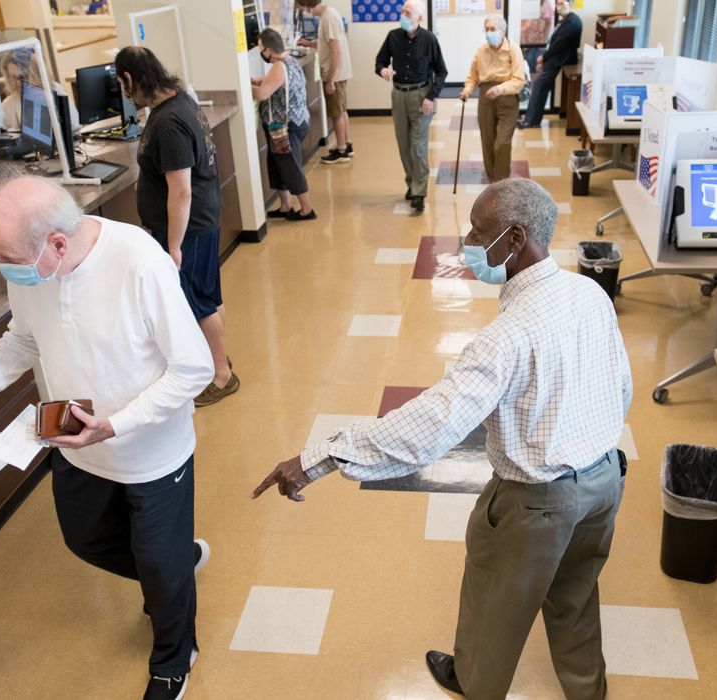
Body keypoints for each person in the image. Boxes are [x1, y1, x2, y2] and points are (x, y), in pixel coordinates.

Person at [253, 178, 632, 700]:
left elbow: (431, 428)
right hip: (604, 481)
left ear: (517, 238)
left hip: (537, 504)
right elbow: (621, 385)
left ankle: (476, 683)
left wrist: (320, 457)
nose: (468, 243)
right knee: (575, 594)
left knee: (496, 608)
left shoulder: (508, 335)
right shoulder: (590, 293)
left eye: (480, 231)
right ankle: (589, 691)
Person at [0, 177, 215, 700]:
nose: (1, 266)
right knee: (87, 539)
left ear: (56, 242)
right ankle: (176, 564)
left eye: (6, 255)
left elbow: (194, 369)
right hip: (72, 442)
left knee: (158, 563)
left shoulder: (137, 261)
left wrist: (114, 424)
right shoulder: (34, 269)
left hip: (149, 451)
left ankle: (175, 656)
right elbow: (23, 335)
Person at [116, 46, 240, 407]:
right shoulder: (179, 101)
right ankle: (218, 358)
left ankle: (221, 375)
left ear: (129, 79)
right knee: (206, 296)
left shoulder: (168, 122)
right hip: (199, 222)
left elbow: (181, 192)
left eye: (124, 86)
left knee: (199, 301)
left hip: (189, 229)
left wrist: (173, 246)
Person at [375, 0, 447, 213]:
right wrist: (383, 71)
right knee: (404, 144)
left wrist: (431, 97)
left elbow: (442, 72)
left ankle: (419, 192)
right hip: (398, 95)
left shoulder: (429, 39)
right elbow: (379, 62)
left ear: (419, 17)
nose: (404, 15)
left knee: (418, 145)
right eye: (403, 11)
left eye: (409, 12)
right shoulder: (393, 36)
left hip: (421, 96)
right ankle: (412, 183)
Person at [252, 29, 316, 221]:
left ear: (269, 50)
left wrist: (247, 87)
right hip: (296, 121)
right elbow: (275, 82)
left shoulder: (278, 66)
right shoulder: (289, 61)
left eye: (261, 48)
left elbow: (263, 94)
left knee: (289, 165)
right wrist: (258, 81)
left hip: (283, 128)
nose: (261, 52)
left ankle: (306, 209)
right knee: (277, 163)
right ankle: (285, 205)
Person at [460, 15, 526, 182]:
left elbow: (519, 80)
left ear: (503, 31)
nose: (489, 33)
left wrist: (500, 88)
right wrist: (467, 90)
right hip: (486, 97)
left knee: (502, 143)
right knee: (487, 142)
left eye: (493, 29)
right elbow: (472, 77)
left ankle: (501, 182)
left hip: (508, 97)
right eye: (487, 29)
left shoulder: (513, 49)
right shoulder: (481, 51)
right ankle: (493, 181)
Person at [295, 0, 354, 164]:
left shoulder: (328, 17)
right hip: (338, 73)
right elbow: (326, 43)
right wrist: (308, 43)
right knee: (341, 110)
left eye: (301, 8)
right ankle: (346, 145)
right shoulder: (328, 15)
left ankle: (341, 150)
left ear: (307, 4)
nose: (303, 12)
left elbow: (336, 50)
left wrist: (330, 80)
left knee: (336, 113)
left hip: (335, 74)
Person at [518, 0, 581, 129]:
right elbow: (555, 41)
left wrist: (544, 57)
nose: (560, 6)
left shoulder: (572, 21)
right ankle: (532, 119)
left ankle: (531, 121)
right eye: (558, 3)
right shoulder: (567, 20)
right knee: (540, 87)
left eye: (563, 3)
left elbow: (559, 44)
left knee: (539, 86)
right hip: (557, 59)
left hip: (560, 59)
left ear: (571, 4)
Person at [0, 47, 80, 133]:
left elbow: (74, 127)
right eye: (12, 77)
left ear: (35, 73)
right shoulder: (8, 104)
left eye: (22, 77)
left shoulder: (55, 91)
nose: (17, 82)